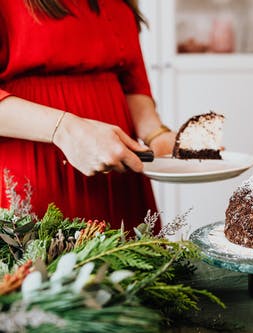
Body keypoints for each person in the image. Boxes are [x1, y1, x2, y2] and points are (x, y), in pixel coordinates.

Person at [0, 0, 175, 229]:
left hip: (121, 182)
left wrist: (157, 135)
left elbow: (132, 84)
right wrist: (66, 130)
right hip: (34, 177)